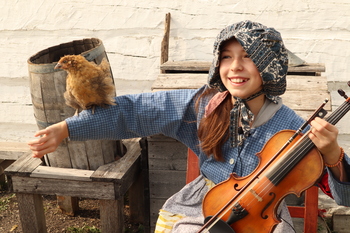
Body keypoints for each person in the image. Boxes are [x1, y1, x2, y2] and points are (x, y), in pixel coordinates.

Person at [28, 21, 350, 233]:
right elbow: (135, 111)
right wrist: (67, 128)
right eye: (226, 57)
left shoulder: (293, 127)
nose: (235, 66)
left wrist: (333, 155)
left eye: (248, 57)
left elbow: (344, 197)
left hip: (264, 219)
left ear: (269, 67)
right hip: (202, 204)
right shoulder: (203, 105)